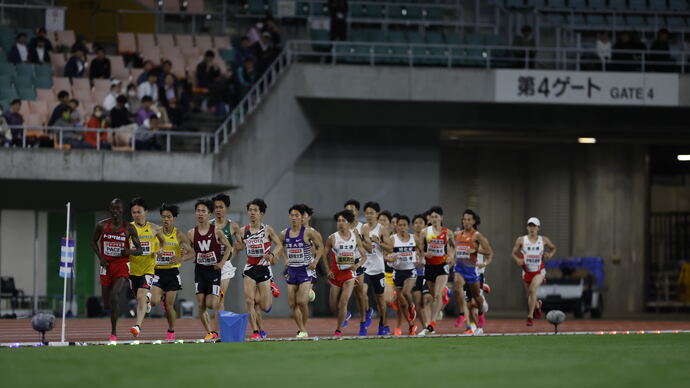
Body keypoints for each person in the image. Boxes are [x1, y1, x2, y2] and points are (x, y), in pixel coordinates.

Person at [90, 199, 143, 341]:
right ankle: (111, 313)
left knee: (115, 295)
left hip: (122, 265)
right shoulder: (101, 225)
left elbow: (140, 250)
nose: (115, 211)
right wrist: (100, 257)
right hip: (106, 265)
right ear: (110, 209)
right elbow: (93, 242)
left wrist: (128, 251)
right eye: (113, 208)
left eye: (118, 208)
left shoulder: (129, 228)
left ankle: (113, 333)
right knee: (107, 303)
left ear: (122, 210)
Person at [238, 198, 284, 340]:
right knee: (250, 301)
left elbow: (279, 245)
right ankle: (256, 332)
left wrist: (272, 254)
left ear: (261, 213)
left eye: (255, 210)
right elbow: (238, 247)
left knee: (263, 306)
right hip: (250, 268)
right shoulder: (242, 231)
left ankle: (271, 285)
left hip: (264, 268)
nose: (252, 213)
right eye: (250, 210)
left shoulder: (267, 229)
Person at [187, 199, 233, 339]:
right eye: (198, 211)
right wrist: (183, 255)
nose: (200, 214)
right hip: (200, 271)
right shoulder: (191, 233)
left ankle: (219, 294)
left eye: (203, 211)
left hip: (213, 271)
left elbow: (229, 248)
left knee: (212, 304)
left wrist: (222, 263)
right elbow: (189, 251)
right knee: (201, 304)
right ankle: (210, 332)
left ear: (209, 214)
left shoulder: (217, 231)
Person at [150, 203, 194, 340]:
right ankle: (161, 298)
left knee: (169, 306)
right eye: (163, 217)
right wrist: (155, 252)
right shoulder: (156, 232)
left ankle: (171, 331)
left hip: (172, 273)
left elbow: (192, 252)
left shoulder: (179, 234)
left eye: (169, 217)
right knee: (153, 302)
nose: (166, 220)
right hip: (158, 272)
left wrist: (180, 258)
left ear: (174, 218)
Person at [322, 210, 368, 337]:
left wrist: (357, 266)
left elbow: (364, 256)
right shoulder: (332, 238)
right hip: (335, 274)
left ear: (349, 223)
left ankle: (338, 330)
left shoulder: (355, 237)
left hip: (349, 275)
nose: (340, 223)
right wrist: (328, 270)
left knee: (343, 302)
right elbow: (324, 255)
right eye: (339, 221)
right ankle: (345, 314)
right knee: (333, 307)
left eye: (343, 221)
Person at [281, 204, 323, 338]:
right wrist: (285, 259)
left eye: (297, 216)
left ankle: (302, 329)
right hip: (292, 270)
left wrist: (315, 261)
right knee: (292, 303)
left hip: (306, 270)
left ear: (303, 217)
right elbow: (280, 245)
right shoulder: (284, 233)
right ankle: (302, 328)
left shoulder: (310, 232)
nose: (294, 218)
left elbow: (320, 247)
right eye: (292, 215)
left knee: (301, 301)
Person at [128, 197, 166, 338]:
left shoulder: (154, 228)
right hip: (133, 269)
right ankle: (147, 301)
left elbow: (163, 242)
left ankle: (137, 326)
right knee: (140, 298)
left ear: (146, 212)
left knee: (140, 295)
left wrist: (160, 249)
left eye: (139, 212)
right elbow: (123, 246)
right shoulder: (128, 228)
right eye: (133, 212)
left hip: (148, 269)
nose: (136, 214)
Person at [511, 217, 557, 326]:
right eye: (530, 226)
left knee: (532, 289)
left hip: (539, 271)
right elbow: (513, 253)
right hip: (526, 271)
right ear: (527, 227)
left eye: (534, 226)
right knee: (531, 294)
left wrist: (549, 255)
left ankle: (530, 317)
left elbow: (553, 248)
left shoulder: (543, 240)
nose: (532, 228)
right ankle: (537, 305)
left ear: (538, 228)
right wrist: (518, 260)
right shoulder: (521, 240)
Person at [453, 209, 493, 335]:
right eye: (464, 219)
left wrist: (475, 250)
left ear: (474, 221)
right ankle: (464, 316)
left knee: (476, 299)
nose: (466, 222)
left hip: (472, 271)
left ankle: (481, 313)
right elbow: (453, 249)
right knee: (457, 286)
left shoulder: (477, 236)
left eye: (469, 219)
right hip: (459, 269)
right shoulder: (457, 235)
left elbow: (489, 252)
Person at [208, 194, 242, 338]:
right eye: (215, 207)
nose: (218, 210)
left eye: (221, 207)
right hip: (210, 266)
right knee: (210, 301)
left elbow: (240, 244)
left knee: (219, 298)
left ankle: (216, 332)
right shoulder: (208, 225)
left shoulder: (233, 225)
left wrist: (234, 250)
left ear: (226, 208)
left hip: (225, 267)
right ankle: (216, 330)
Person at [418, 206, 455, 335]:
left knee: (437, 295)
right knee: (431, 297)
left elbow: (453, 247)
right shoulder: (425, 232)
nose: (434, 219)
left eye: (436, 217)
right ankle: (445, 295)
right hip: (429, 267)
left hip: (442, 266)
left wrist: (450, 256)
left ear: (441, 218)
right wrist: (424, 254)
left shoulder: (447, 232)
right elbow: (420, 249)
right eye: (432, 217)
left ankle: (431, 324)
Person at [360, 202, 392, 336]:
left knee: (380, 299)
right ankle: (366, 314)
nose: (369, 215)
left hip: (378, 268)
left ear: (377, 214)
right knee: (362, 292)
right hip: (365, 267)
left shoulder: (381, 229)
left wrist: (378, 242)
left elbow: (390, 249)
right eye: (367, 213)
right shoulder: (363, 228)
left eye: (371, 213)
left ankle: (383, 323)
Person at [386, 215, 419, 335]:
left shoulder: (414, 238)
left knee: (406, 293)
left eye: (404, 225)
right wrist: (390, 258)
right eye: (400, 225)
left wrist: (420, 258)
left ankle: (412, 306)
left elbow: (420, 251)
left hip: (410, 270)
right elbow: (385, 254)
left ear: (408, 226)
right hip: (397, 272)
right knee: (402, 303)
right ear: (397, 226)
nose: (402, 227)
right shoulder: (392, 239)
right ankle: (411, 325)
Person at [343, 199, 371, 335]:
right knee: (339, 292)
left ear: (357, 211)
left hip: (358, 262)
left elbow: (370, 248)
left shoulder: (362, 227)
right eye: (347, 210)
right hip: (344, 263)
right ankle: (344, 313)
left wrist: (358, 237)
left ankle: (363, 322)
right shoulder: (342, 226)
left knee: (360, 294)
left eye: (352, 209)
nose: (350, 212)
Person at [411, 214, 432, 332]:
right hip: (415, 273)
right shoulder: (410, 238)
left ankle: (430, 322)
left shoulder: (428, 238)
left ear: (425, 225)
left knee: (427, 298)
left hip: (427, 272)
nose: (418, 225)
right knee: (418, 300)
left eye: (421, 223)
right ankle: (425, 326)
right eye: (416, 223)